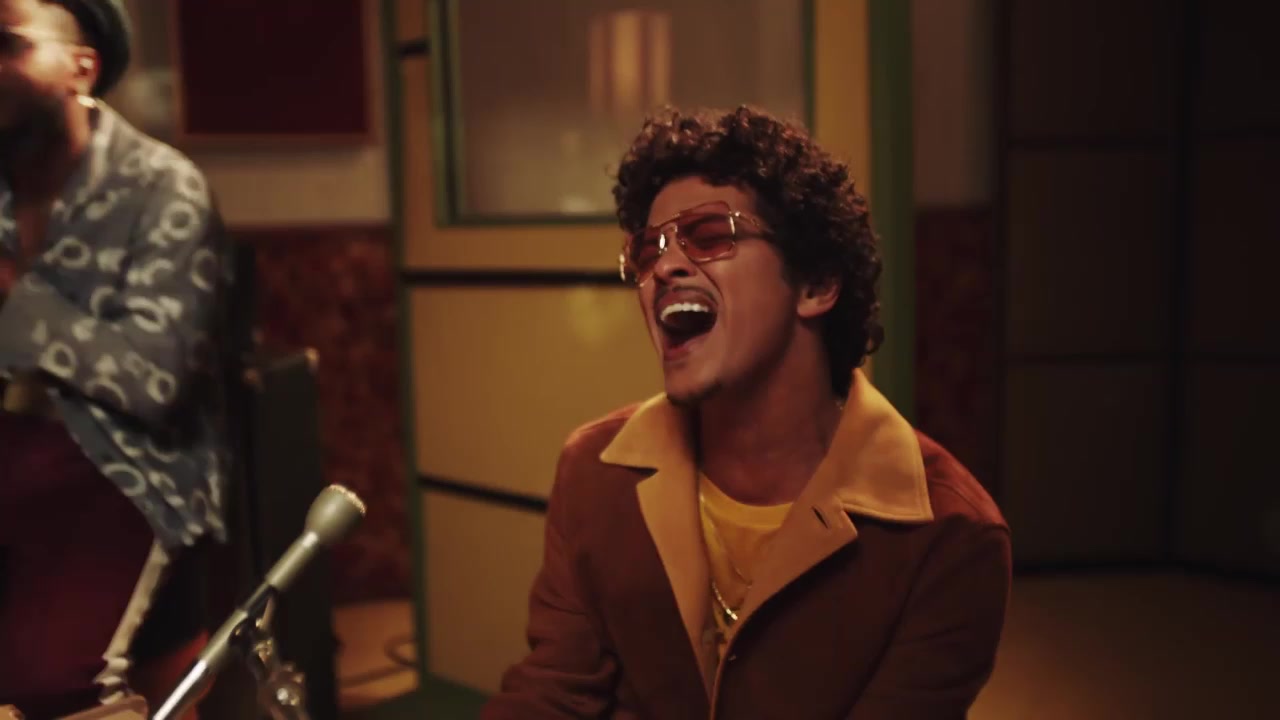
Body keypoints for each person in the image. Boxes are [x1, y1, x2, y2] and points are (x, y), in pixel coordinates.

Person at [481, 106, 1011, 719]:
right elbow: (552, 692)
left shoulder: (951, 537)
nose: (664, 267)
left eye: (710, 235)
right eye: (648, 252)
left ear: (815, 284)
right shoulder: (595, 471)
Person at [0, 0, 229, 716]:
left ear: (82, 66)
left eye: (6, 43)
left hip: (127, 463)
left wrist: (14, 296)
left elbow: (155, 383)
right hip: (18, 456)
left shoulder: (162, 188)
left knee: (55, 684)